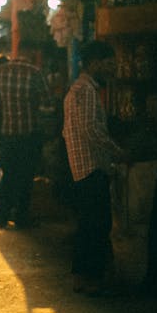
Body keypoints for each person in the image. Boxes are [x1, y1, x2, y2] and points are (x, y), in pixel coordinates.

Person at [63, 40, 126, 296]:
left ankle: (82, 276)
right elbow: (91, 128)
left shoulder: (78, 89)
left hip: (81, 167)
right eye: (108, 63)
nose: (111, 68)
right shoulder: (86, 90)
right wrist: (118, 151)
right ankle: (91, 278)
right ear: (95, 63)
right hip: (91, 166)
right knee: (97, 224)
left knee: (88, 224)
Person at [0, 38, 51, 229]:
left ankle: (1, 216)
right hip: (29, 134)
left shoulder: (1, 72)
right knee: (26, 176)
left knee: (8, 175)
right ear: (31, 53)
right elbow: (47, 103)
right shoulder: (35, 72)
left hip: (7, 134)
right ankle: (21, 217)